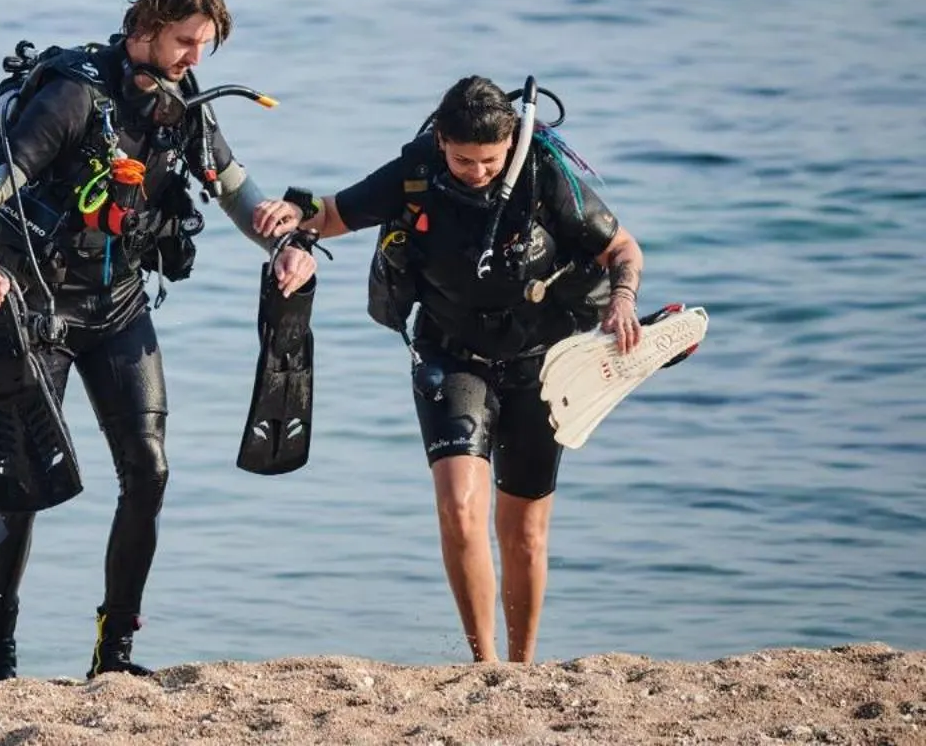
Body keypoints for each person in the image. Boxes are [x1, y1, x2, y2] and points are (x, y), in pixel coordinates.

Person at [0, 0, 295, 686]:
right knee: (19, 488)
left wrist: (283, 241)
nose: (194, 59)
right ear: (143, 27)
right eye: (184, 41)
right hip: (34, 308)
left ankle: (112, 655)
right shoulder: (75, 96)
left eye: (204, 46)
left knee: (149, 470)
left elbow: (239, 194)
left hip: (118, 308)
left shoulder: (186, 103)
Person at [256, 76, 645, 664]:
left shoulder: (542, 175)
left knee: (524, 532)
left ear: (511, 142)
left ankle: (523, 667)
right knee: (460, 508)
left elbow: (622, 249)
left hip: (541, 364)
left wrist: (623, 300)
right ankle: (485, 665)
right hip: (451, 357)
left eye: (490, 160)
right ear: (441, 141)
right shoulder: (417, 171)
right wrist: (296, 215)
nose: (478, 172)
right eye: (464, 159)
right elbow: (334, 211)